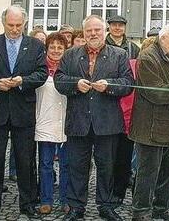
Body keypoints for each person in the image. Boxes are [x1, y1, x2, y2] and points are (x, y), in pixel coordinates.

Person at [54, 15, 134, 221]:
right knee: (77, 166)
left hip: (107, 122)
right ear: (84, 32)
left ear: (104, 30)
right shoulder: (70, 54)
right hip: (78, 121)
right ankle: (76, 207)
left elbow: (128, 83)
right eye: (89, 30)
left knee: (107, 166)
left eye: (97, 30)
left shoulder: (119, 54)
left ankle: (106, 205)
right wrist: (75, 84)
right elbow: (59, 80)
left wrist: (109, 86)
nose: (93, 34)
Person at [0, 5, 48, 220]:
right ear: (4, 23)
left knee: (26, 160)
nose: (15, 29)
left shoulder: (34, 45)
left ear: (24, 23)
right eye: (10, 25)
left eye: (19, 25)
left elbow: (42, 73)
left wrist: (23, 81)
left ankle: (28, 203)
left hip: (23, 111)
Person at [129, 23, 169, 221]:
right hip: (150, 127)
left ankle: (161, 208)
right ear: (163, 38)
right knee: (148, 172)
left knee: (168, 170)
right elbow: (156, 91)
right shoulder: (148, 57)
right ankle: (141, 211)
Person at [104, 15, 140, 205]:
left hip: (128, 105)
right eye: (114, 25)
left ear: (125, 28)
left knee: (125, 154)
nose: (117, 28)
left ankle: (118, 191)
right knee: (107, 155)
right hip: (109, 102)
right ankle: (106, 190)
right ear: (109, 27)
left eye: (120, 25)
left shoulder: (134, 48)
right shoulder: (103, 44)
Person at [36, 32, 69, 215]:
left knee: (66, 164)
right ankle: (46, 200)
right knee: (46, 164)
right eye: (52, 47)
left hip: (65, 122)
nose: (56, 51)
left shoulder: (69, 67)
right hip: (45, 121)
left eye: (60, 47)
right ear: (47, 49)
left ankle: (65, 199)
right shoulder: (39, 67)